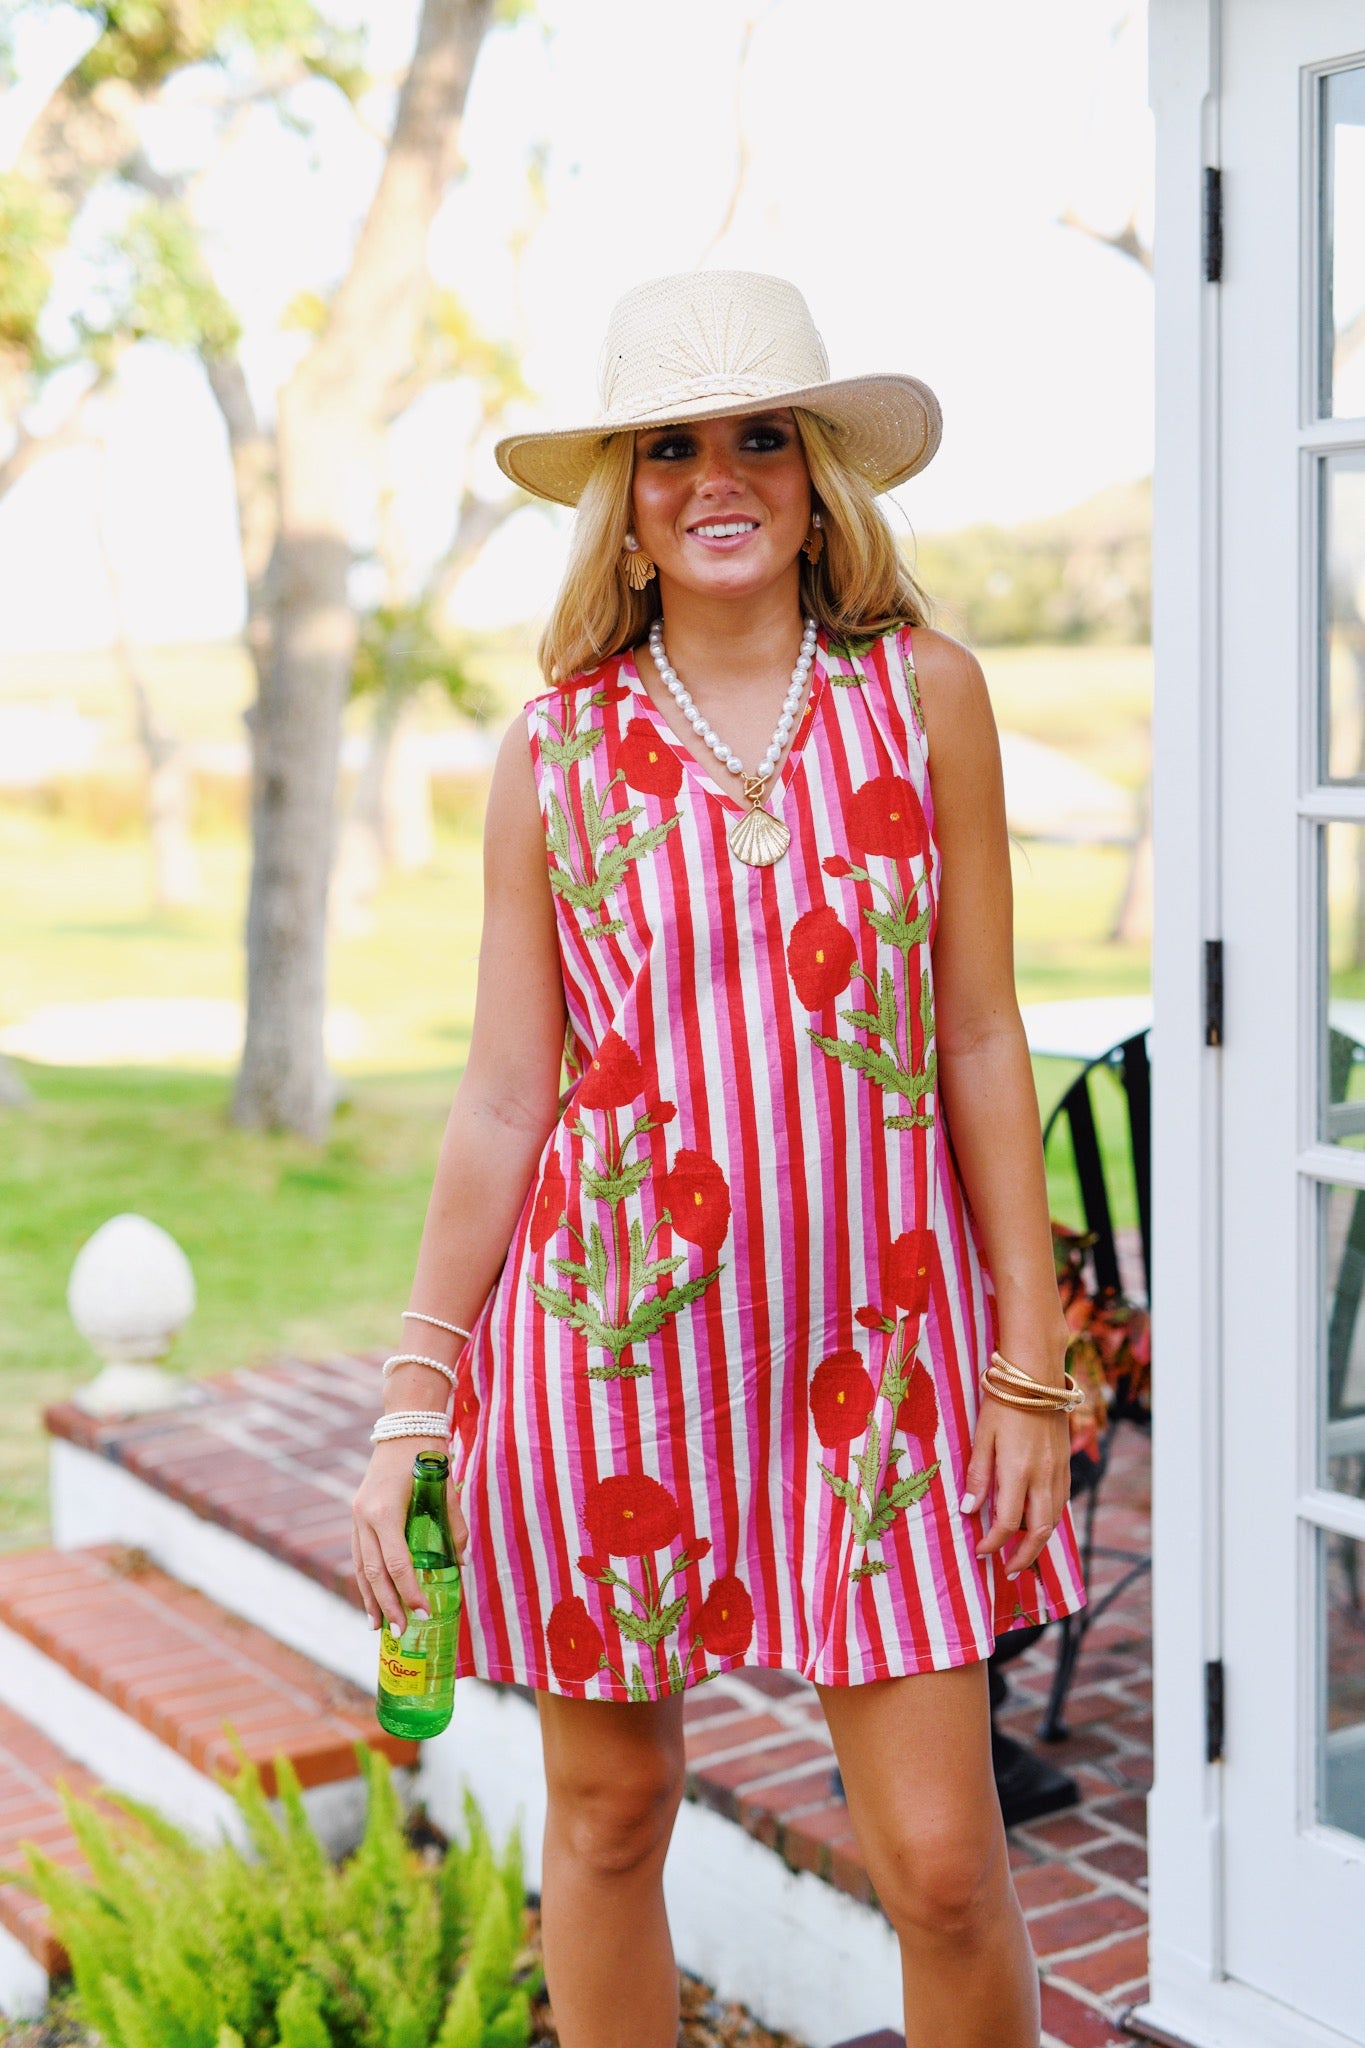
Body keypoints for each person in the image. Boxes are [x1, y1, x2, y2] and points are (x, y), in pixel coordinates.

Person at [351, 270, 1086, 2048]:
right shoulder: (558, 753)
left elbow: (981, 1037)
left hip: (888, 1358)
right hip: (607, 1367)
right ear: (624, 497)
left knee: (937, 1866)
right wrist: (413, 1404)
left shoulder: (926, 699)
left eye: (761, 434)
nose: (717, 477)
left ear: (821, 472)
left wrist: (1030, 1353)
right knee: (607, 1822)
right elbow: (506, 1101)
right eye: (669, 447)